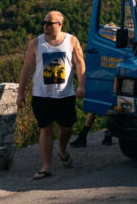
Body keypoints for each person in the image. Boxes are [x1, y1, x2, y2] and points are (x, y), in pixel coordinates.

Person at [17, 11, 86, 180]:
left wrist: (82, 85)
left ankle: (62, 149)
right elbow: (27, 68)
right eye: (44, 22)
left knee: (66, 128)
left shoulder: (71, 41)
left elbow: (79, 63)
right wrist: (21, 93)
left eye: (49, 23)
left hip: (65, 94)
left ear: (60, 25)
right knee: (45, 128)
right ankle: (46, 167)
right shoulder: (35, 43)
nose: (45, 25)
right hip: (42, 94)